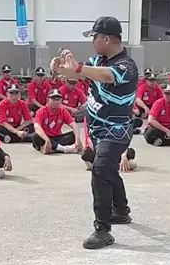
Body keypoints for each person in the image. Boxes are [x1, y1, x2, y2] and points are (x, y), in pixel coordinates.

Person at [51, 15, 138, 250]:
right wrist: (61, 68)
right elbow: (78, 74)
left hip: (116, 131)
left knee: (99, 172)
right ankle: (121, 211)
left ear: (106, 39)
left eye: (95, 37)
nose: (92, 42)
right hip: (98, 130)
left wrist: (79, 68)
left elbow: (106, 75)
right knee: (109, 170)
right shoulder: (97, 59)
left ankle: (103, 230)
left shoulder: (126, 66)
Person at [32, 89, 81, 155]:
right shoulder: (41, 111)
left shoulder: (63, 111)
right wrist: (47, 140)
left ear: (61, 101)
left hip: (58, 137)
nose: (56, 102)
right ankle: (64, 149)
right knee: (35, 136)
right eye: (53, 99)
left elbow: (73, 125)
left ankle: (53, 149)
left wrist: (78, 140)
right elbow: (37, 127)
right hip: (44, 137)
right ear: (48, 100)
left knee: (73, 135)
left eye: (58, 100)